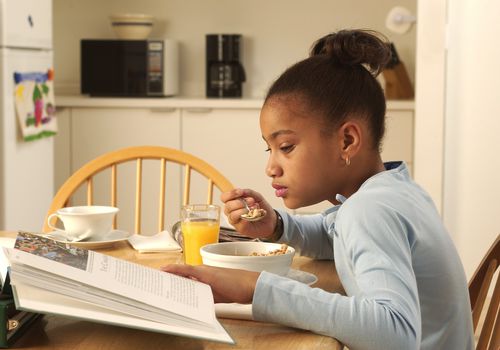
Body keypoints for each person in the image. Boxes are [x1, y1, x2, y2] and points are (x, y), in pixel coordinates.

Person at [162, 29, 474, 350]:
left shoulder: (368, 211)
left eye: (286, 146)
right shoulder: (394, 190)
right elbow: (335, 234)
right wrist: (277, 226)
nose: (271, 167)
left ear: (347, 140)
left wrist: (254, 287)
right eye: (269, 150)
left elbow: (395, 332)